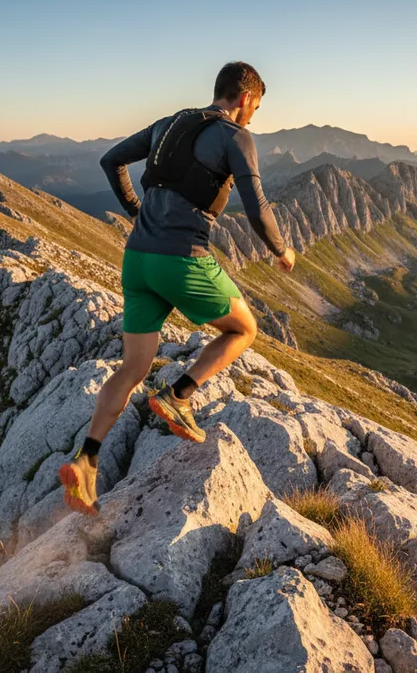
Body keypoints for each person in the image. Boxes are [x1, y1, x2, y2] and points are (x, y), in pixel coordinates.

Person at [58, 61, 296, 515]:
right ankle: (179, 395)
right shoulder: (235, 137)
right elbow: (257, 207)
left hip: (137, 259)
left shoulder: (169, 123)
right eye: (256, 108)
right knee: (244, 329)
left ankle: (86, 461)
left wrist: (134, 209)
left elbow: (112, 159)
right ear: (245, 99)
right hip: (181, 258)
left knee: (132, 369)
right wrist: (282, 251)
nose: (253, 117)